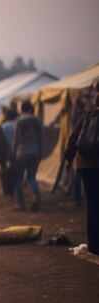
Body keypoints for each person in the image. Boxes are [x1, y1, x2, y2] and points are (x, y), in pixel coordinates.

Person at [65, 81, 99, 255]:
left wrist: (69, 159)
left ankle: (94, 246)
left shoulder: (87, 115)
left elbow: (73, 139)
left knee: (93, 205)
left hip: (86, 165)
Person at [13, 100, 42, 211]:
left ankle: (21, 203)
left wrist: (13, 153)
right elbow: (40, 139)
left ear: (22, 109)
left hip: (22, 152)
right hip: (35, 152)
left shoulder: (19, 121)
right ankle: (35, 197)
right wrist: (40, 153)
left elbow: (16, 139)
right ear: (31, 108)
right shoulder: (37, 120)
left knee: (19, 178)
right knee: (32, 177)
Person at [0, 106, 18, 200]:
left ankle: (6, 192)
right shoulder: (17, 125)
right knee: (14, 172)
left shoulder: (3, 126)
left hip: (5, 152)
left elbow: (0, 142)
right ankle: (12, 192)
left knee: (5, 172)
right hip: (16, 152)